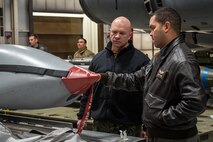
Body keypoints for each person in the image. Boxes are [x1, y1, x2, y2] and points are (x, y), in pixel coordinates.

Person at [99, 8, 207, 142]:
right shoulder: (161, 56)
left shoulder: (182, 60)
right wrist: (105, 77)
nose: (150, 33)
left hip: (174, 138)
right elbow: (137, 80)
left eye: (152, 28)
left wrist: (162, 117)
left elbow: (196, 102)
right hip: (159, 135)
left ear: (166, 26)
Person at [77, 16, 150, 137]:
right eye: (114, 32)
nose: (117, 36)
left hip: (129, 125)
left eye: (122, 33)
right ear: (109, 32)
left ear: (130, 35)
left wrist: (146, 126)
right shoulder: (98, 59)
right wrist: (81, 116)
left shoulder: (142, 61)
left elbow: (147, 96)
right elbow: (88, 90)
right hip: (100, 123)